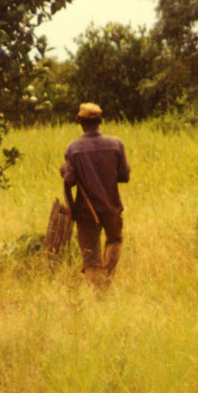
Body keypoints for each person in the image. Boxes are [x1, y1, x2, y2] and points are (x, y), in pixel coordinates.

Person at [61, 103, 131, 289]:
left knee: (91, 256)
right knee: (114, 240)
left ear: (81, 123)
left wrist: (65, 170)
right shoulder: (116, 144)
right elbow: (124, 176)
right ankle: (107, 280)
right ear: (100, 122)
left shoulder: (73, 148)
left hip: (86, 211)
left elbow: (70, 180)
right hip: (112, 207)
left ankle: (98, 292)